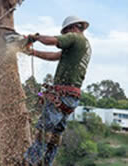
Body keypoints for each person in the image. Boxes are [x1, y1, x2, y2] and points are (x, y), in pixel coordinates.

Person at [22, 16, 92, 166]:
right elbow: (54, 56)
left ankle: (29, 162)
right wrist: (32, 52)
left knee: (43, 130)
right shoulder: (83, 47)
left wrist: (34, 37)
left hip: (62, 94)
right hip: (71, 98)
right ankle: (46, 163)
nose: (65, 35)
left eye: (65, 32)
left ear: (72, 28)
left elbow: (53, 41)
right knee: (55, 136)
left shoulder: (74, 38)